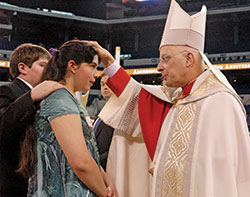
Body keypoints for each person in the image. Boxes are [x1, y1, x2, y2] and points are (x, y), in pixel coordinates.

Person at [84, 0, 250, 196]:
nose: (159, 67)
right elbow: (138, 98)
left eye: (166, 58)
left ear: (189, 59)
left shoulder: (220, 102)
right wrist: (111, 64)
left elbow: (220, 175)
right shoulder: (177, 98)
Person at [18, 40, 117, 197]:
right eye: (92, 66)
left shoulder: (67, 99)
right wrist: (105, 192)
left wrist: (106, 181)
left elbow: (88, 151)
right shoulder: (60, 100)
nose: (96, 74)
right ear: (73, 66)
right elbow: (80, 162)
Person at [0, 43, 64, 197]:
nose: (48, 71)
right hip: (14, 182)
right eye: (43, 65)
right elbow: (3, 125)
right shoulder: (8, 90)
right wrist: (31, 97)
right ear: (22, 68)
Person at [94, 73, 114, 170]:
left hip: (108, 167)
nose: (105, 87)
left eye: (108, 84)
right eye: (102, 84)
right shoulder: (102, 110)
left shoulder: (121, 112)